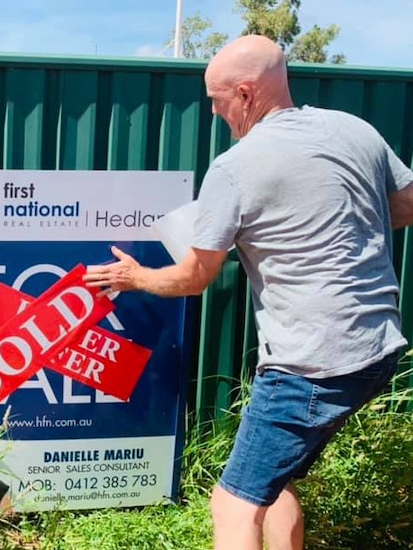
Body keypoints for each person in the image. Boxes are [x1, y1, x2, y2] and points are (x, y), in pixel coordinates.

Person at [83, 34, 413, 550]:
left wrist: (133, 278)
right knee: (272, 484)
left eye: (217, 100)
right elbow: (407, 205)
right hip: (376, 349)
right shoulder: (355, 131)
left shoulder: (235, 167)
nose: (215, 113)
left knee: (233, 504)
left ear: (244, 93)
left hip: (310, 365)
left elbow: (194, 276)